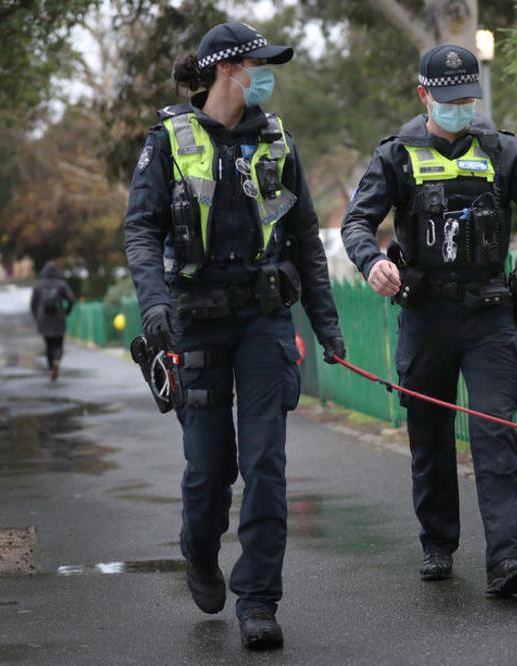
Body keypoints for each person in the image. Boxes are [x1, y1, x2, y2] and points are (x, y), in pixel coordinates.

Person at [341, 44, 517, 597]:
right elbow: (357, 222)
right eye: (449, 99)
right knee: (429, 436)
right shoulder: (397, 155)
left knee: (493, 430)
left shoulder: (503, 150)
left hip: (488, 315)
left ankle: (506, 560)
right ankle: (438, 543)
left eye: (468, 98)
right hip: (425, 317)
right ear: (423, 95)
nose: (461, 108)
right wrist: (372, 261)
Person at [123, 21, 345, 650]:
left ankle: (259, 601)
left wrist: (326, 326)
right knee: (209, 469)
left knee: (265, 464)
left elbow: (305, 239)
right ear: (228, 69)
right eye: (258, 64)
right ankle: (199, 551)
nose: (265, 75)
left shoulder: (277, 141)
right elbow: (141, 230)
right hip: (193, 318)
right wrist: (154, 304)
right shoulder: (168, 140)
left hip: (263, 319)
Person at [29, 261, 75, 382]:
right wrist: (66, 312)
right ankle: (57, 361)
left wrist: (36, 317)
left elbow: (33, 304)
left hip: (44, 319)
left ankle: (51, 369)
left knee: (48, 345)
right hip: (58, 318)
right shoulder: (61, 285)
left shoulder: (39, 285)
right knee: (59, 344)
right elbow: (71, 300)